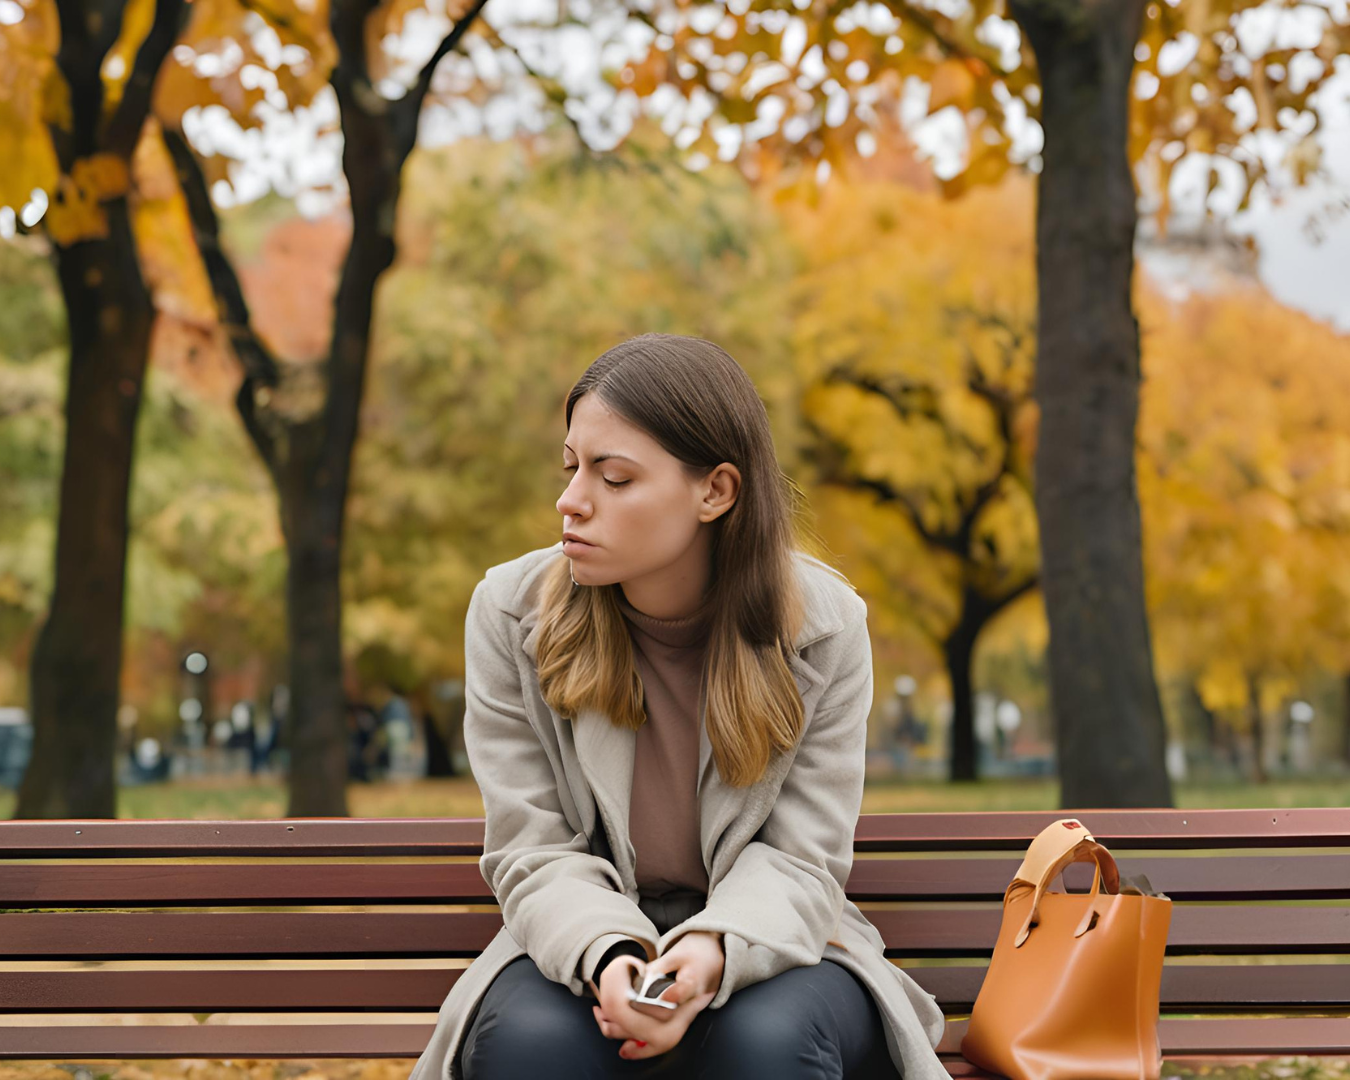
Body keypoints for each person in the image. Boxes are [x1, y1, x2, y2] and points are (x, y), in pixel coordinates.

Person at [407, 334, 948, 1080]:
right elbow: (532, 849)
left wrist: (707, 953)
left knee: (763, 1047)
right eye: (572, 467)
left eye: (615, 477)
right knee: (529, 1048)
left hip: (773, 940)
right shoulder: (511, 614)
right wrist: (615, 956)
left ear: (715, 492)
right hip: (582, 939)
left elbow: (801, 859)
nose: (571, 501)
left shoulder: (822, 628)